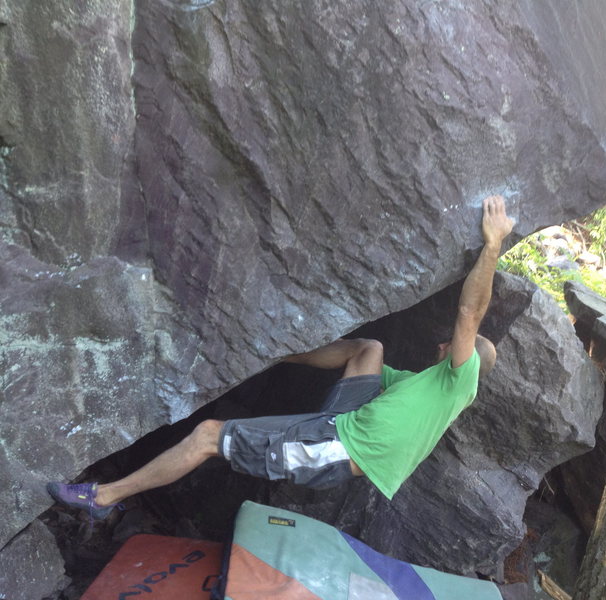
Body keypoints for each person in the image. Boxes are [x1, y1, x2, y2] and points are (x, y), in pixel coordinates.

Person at [47, 195, 514, 518]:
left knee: (209, 436)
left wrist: (493, 244)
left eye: (458, 348)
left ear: (467, 360)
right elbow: (362, 364)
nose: (447, 346)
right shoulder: (421, 384)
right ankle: (275, 356)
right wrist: (277, 353)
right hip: (344, 423)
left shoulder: (461, 381)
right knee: (370, 348)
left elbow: (470, 312)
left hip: (333, 448)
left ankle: (104, 496)